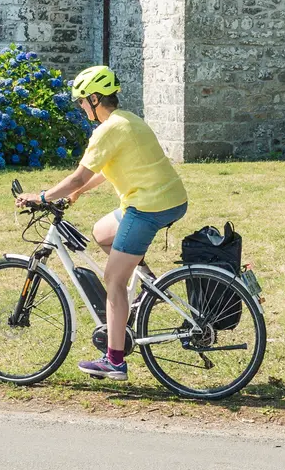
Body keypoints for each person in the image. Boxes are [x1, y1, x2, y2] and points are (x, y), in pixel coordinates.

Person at [16, 65, 188, 381]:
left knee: (113, 281)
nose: (82, 108)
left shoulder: (107, 130)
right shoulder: (127, 121)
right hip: (165, 199)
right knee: (102, 232)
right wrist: (74, 195)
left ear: (95, 98)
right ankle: (149, 286)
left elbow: (78, 175)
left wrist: (41, 196)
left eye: (82, 101)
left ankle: (114, 361)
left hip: (149, 207)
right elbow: (103, 171)